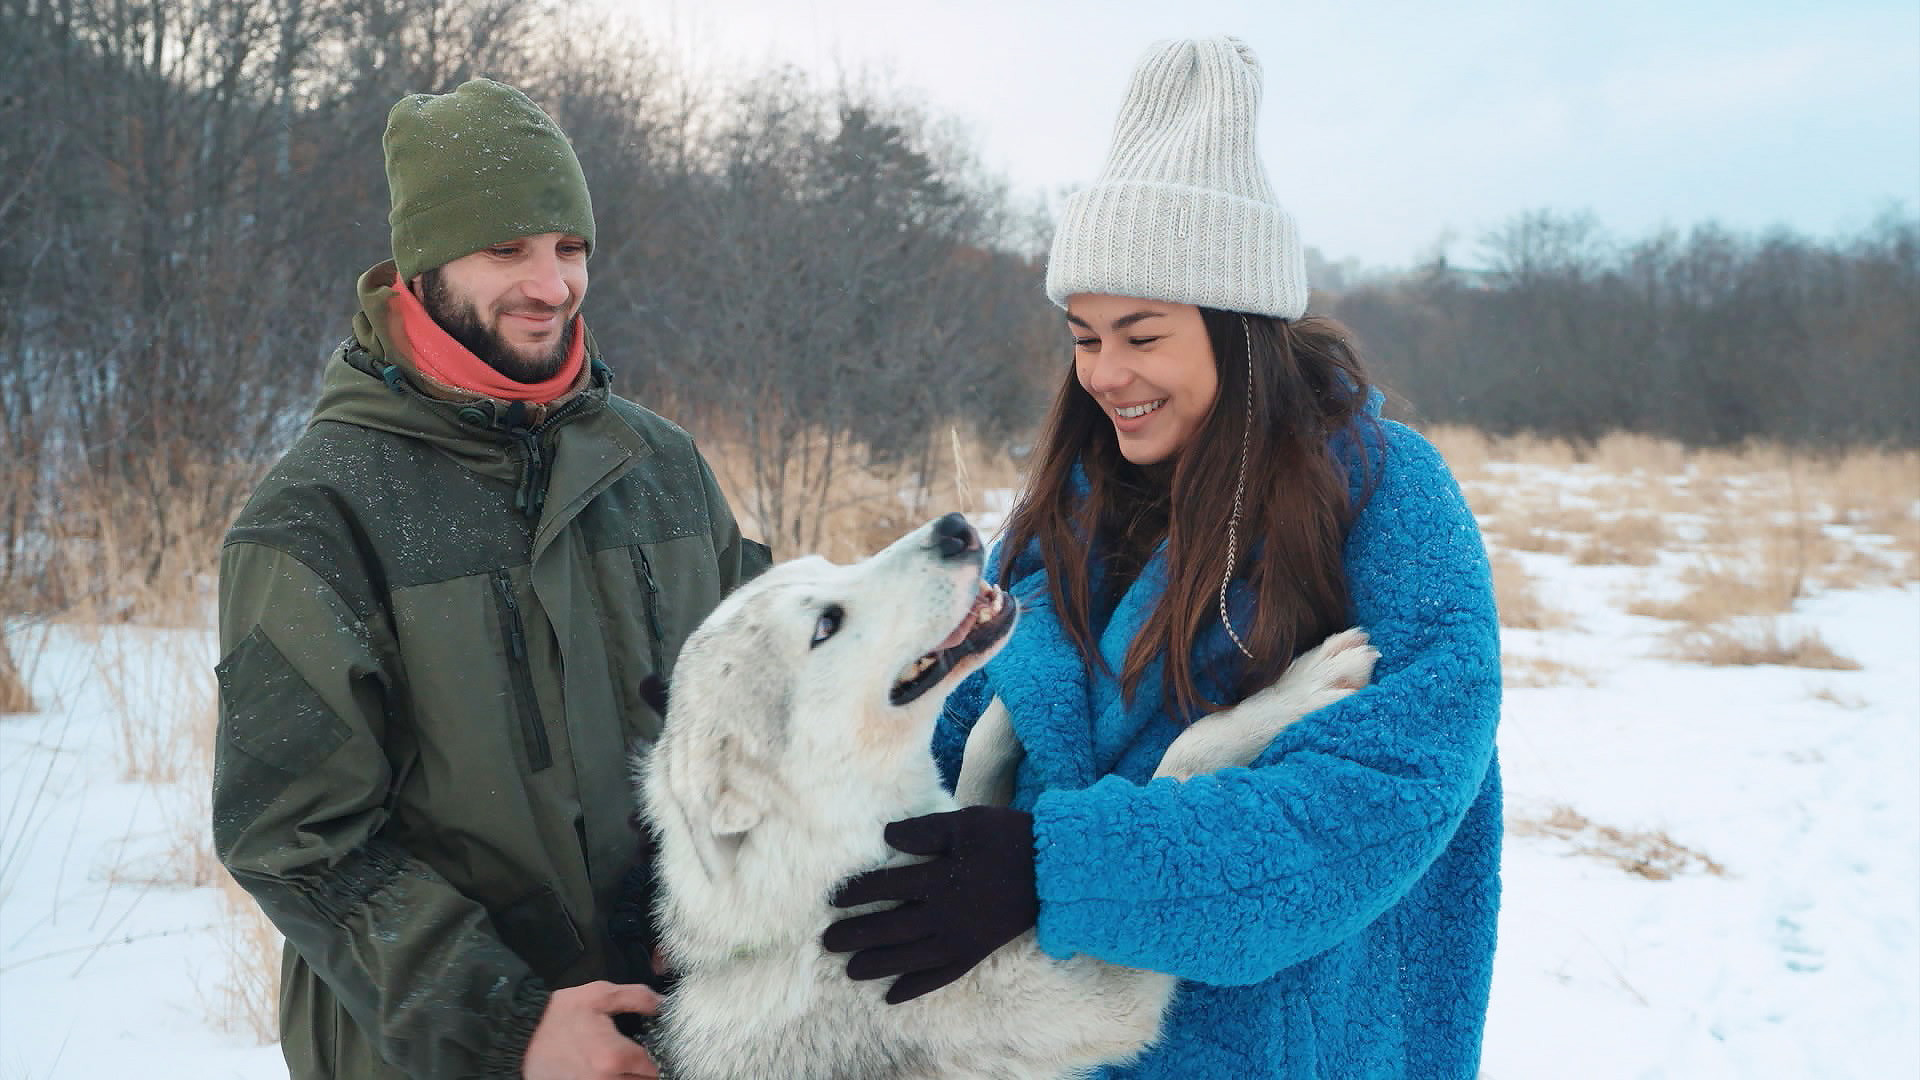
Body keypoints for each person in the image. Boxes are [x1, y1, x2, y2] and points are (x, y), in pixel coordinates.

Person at [822, 36, 1502, 1078]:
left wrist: (1060, 869)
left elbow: (1389, 793)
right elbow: (958, 712)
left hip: (1292, 1047)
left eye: (1142, 334)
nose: (1104, 373)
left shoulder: (1384, 491)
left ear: (1238, 327)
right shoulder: (1066, 509)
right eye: (1084, 335)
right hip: (1056, 1043)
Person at [212, 79, 768, 1079]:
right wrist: (509, 1026)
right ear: (422, 265)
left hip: (678, 1034)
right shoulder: (319, 515)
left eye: (569, 248)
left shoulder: (664, 471)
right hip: (438, 1053)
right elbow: (296, 842)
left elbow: (763, 717)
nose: (551, 285)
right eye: (506, 249)